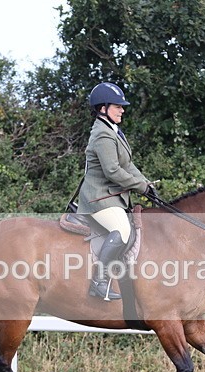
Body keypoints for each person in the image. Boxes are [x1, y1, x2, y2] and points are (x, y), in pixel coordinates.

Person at [77, 82, 154, 301]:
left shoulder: (114, 131)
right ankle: (99, 282)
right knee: (122, 230)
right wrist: (140, 186)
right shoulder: (103, 135)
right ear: (103, 108)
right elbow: (112, 171)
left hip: (111, 196)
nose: (122, 110)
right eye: (117, 106)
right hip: (98, 198)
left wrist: (146, 184)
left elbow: (127, 165)